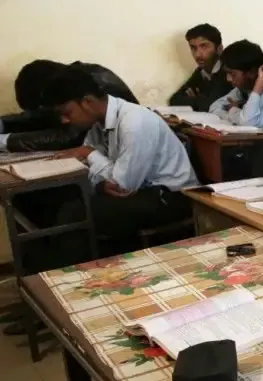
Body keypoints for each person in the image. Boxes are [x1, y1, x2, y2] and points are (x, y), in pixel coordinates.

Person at [43, 65, 198, 266]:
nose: (65, 120)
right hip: (140, 191)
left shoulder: (134, 122)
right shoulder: (98, 124)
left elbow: (121, 185)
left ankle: (75, 276)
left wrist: (90, 156)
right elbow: (91, 171)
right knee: (62, 199)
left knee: (78, 213)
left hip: (170, 196)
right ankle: (74, 272)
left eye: (67, 112)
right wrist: (99, 178)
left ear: (88, 102)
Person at [1, 60, 138, 153]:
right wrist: (3, 124)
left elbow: (72, 137)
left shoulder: (93, 85)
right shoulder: (65, 83)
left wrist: (5, 141)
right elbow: (39, 117)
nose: (63, 119)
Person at [209, 40, 263, 128]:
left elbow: (247, 122)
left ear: (252, 72)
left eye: (232, 74)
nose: (228, 79)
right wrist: (239, 114)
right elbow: (214, 108)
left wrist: (233, 110)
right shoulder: (242, 89)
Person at [169, 23, 233, 111]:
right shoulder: (200, 72)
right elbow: (174, 100)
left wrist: (197, 100)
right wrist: (201, 100)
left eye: (204, 46)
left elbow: (210, 105)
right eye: (193, 48)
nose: (197, 54)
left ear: (219, 49)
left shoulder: (229, 70)